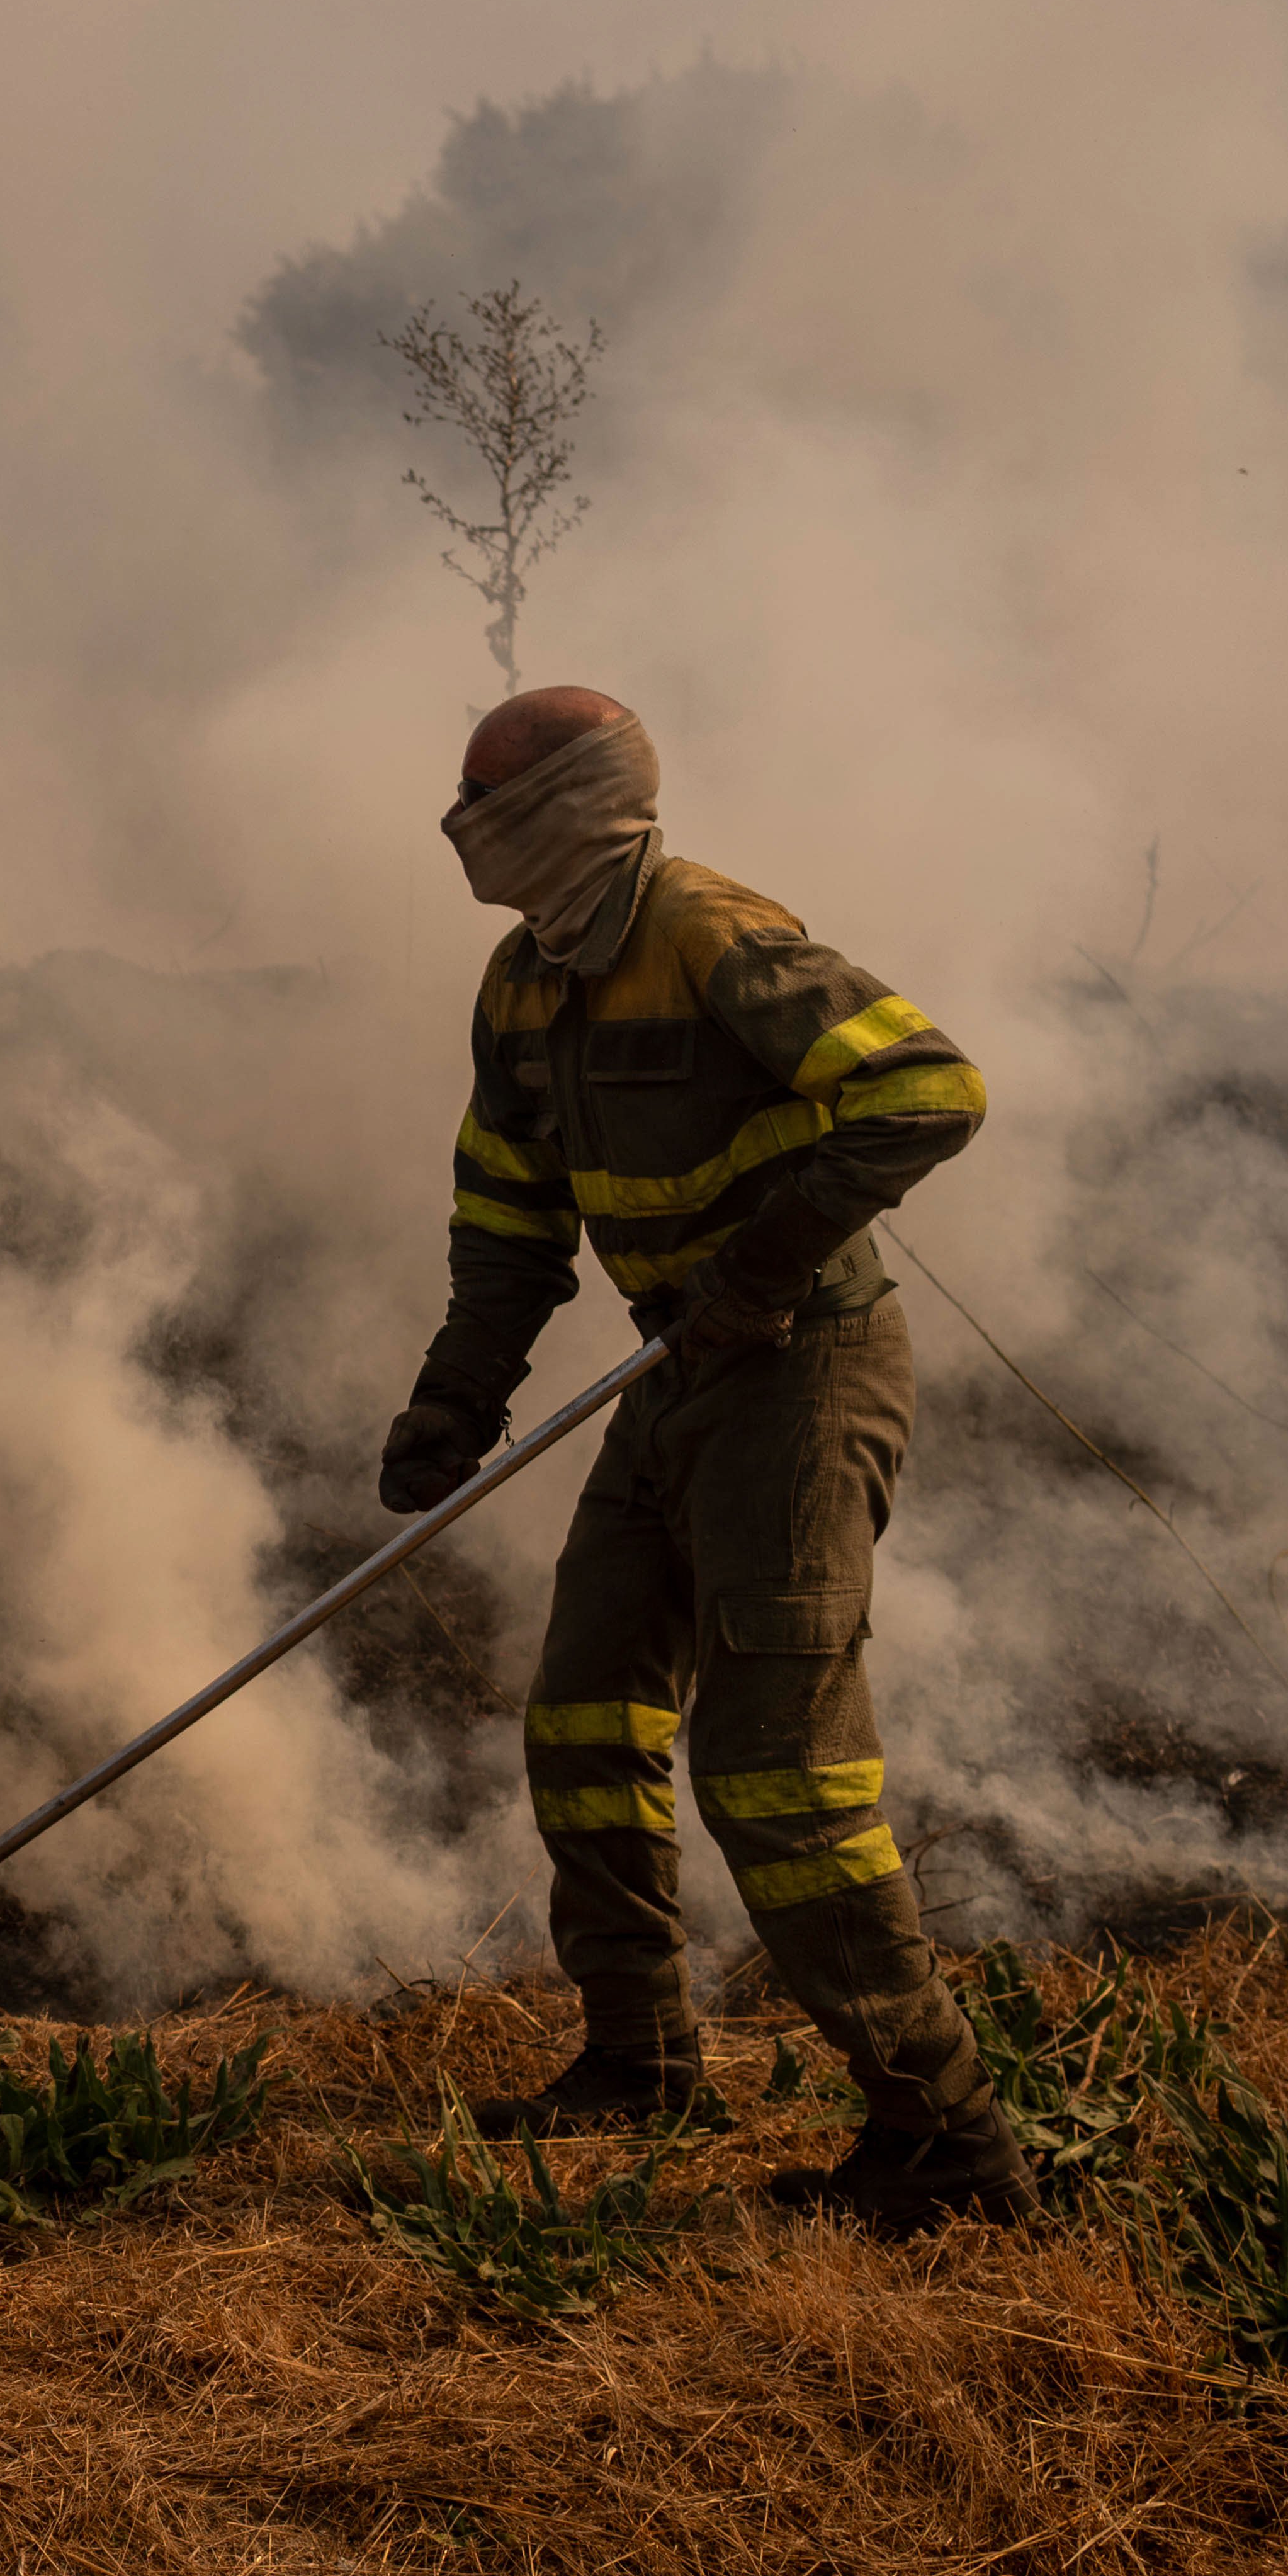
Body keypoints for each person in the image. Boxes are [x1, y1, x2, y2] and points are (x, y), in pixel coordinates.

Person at [380, 689, 1033, 2237]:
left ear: (578, 799)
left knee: (778, 1768)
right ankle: (642, 2057)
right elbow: (511, 1214)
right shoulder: (525, 979)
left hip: (798, 1368)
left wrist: (774, 1256)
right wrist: (453, 1400)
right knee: (588, 1716)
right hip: (676, 1367)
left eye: (488, 790)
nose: (460, 817)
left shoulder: (711, 930)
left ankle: (946, 2140)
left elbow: (928, 1085)